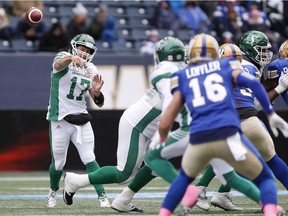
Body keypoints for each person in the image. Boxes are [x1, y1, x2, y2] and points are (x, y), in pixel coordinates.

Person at [112, 37, 266, 215]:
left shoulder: (179, 75)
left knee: (155, 157)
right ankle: (269, 204)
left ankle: (188, 194)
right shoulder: (219, 72)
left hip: (194, 130)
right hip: (221, 128)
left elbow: (170, 109)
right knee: (229, 173)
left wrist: (162, 134)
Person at [157, 33, 288, 216]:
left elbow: (166, 120)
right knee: (265, 174)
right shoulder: (226, 66)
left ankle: (168, 210)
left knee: (185, 178)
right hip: (230, 128)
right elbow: (253, 87)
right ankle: (269, 209)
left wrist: (163, 138)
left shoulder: (182, 76)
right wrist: (271, 113)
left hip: (199, 136)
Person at [194, 32, 288, 212]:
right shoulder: (246, 67)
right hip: (237, 115)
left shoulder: (245, 66)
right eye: (261, 50)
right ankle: (204, 189)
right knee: (260, 157)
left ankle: (220, 194)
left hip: (226, 115)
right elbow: (253, 103)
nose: (266, 54)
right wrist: (279, 89)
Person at [45, 33, 110, 208]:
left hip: (81, 118)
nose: (84, 52)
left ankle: (102, 196)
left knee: (90, 158)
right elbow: (58, 64)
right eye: (81, 48)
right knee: (58, 163)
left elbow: (100, 102)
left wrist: (96, 92)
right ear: (74, 47)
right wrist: (72, 58)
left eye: (88, 50)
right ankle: (52, 191)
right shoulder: (62, 57)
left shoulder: (91, 69)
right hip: (59, 118)